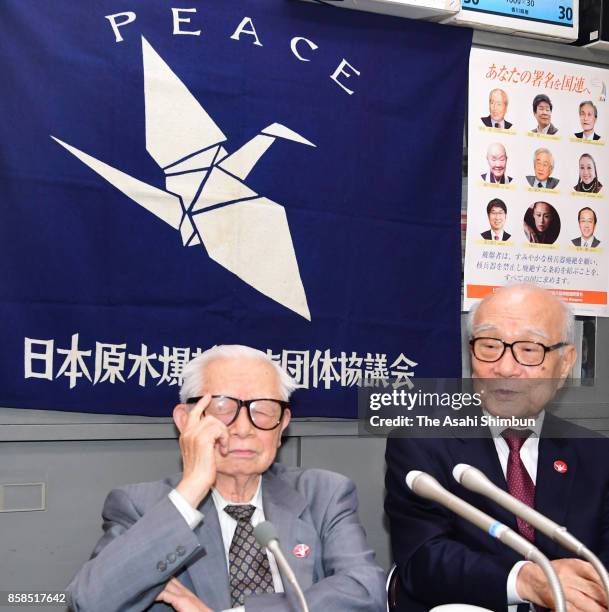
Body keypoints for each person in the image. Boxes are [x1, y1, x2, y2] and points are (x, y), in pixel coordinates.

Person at [67, 345, 386, 612]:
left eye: (263, 409)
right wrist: (191, 490)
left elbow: (366, 592)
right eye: (223, 407)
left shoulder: (324, 494)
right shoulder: (140, 507)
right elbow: (88, 603)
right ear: (186, 419)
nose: (244, 428)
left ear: (282, 425)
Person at [385, 284, 609, 612]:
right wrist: (527, 580)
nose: (504, 368)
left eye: (529, 350)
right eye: (490, 346)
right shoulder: (422, 441)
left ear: (565, 363)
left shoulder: (596, 454)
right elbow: (423, 559)